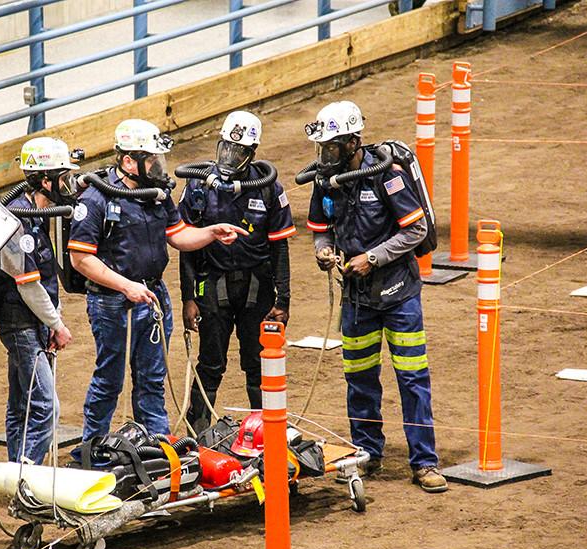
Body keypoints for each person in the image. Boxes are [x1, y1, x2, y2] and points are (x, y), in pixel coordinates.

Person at [68, 118, 247, 446]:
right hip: (113, 303)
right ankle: (92, 452)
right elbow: (80, 259)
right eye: (151, 159)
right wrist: (125, 286)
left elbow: (177, 235)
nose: (157, 166)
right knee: (109, 380)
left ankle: (158, 449)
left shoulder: (157, 194)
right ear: (128, 161)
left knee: (152, 379)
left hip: (151, 297)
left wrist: (210, 232)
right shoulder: (96, 199)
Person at [304, 101, 447, 493]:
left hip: (399, 295)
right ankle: (368, 451)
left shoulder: (388, 176)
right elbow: (320, 228)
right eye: (323, 148)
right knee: (360, 378)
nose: (325, 155)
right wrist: (323, 250)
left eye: (332, 148)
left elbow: (415, 232)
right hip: (355, 298)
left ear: (353, 142)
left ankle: (425, 462)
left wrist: (373, 257)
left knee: (412, 378)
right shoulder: (325, 181)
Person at [179, 111, 296, 433]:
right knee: (211, 363)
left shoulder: (269, 188)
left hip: (257, 286)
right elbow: (185, 248)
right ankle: (196, 433)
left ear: (252, 153)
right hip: (212, 284)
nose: (229, 158)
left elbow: (280, 247)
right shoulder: (198, 187)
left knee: (257, 363)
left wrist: (283, 299)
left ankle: (266, 433)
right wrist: (189, 299)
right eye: (225, 149)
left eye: (238, 151)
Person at [0, 137, 75, 464]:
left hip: (31, 323)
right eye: (63, 177)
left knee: (22, 405)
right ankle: (27, 476)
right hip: (21, 325)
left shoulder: (37, 216)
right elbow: (27, 285)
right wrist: (57, 324)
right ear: (45, 180)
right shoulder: (17, 221)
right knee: (45, 407)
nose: (68, 185)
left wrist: (51, 322)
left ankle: (17, 470)